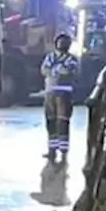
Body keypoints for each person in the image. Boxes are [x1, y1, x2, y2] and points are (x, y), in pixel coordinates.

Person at [41, 33, 78, 163]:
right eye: (60, 42)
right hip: (50, 93)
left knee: (63, 121)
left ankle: (63, 151)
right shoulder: (50, 56)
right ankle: (52, 150)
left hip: (64, 93)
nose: (61, 45)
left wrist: (53, 70)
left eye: (64, 42)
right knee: (50, 121)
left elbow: (68, 71)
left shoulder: (72, 58)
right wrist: (58, 70)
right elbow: (44, 70)